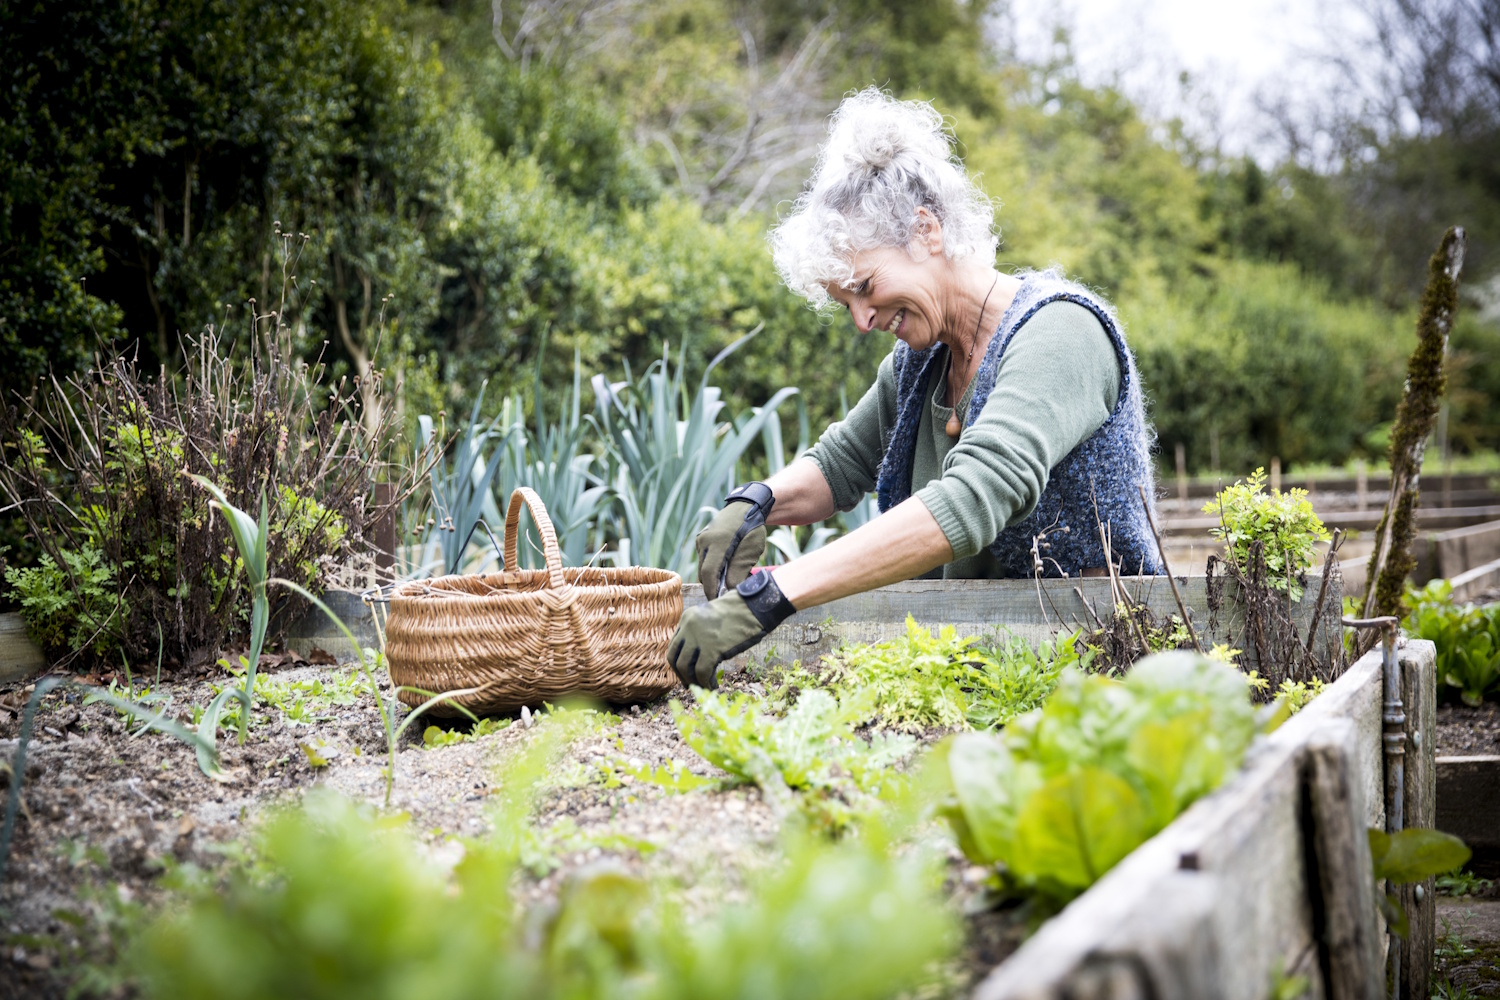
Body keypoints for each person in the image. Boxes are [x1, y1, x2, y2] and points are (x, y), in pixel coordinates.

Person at [667, 89, 1161, 689]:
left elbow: (974, 497)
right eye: (845, 303)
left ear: (926, 231)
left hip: (1095, 673)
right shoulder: (921, 361)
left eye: (865, 286)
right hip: (980, 670)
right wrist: (756, 504)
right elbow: (842, 463)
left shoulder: (1061, 331)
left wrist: (772, 594)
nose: (861, 320)